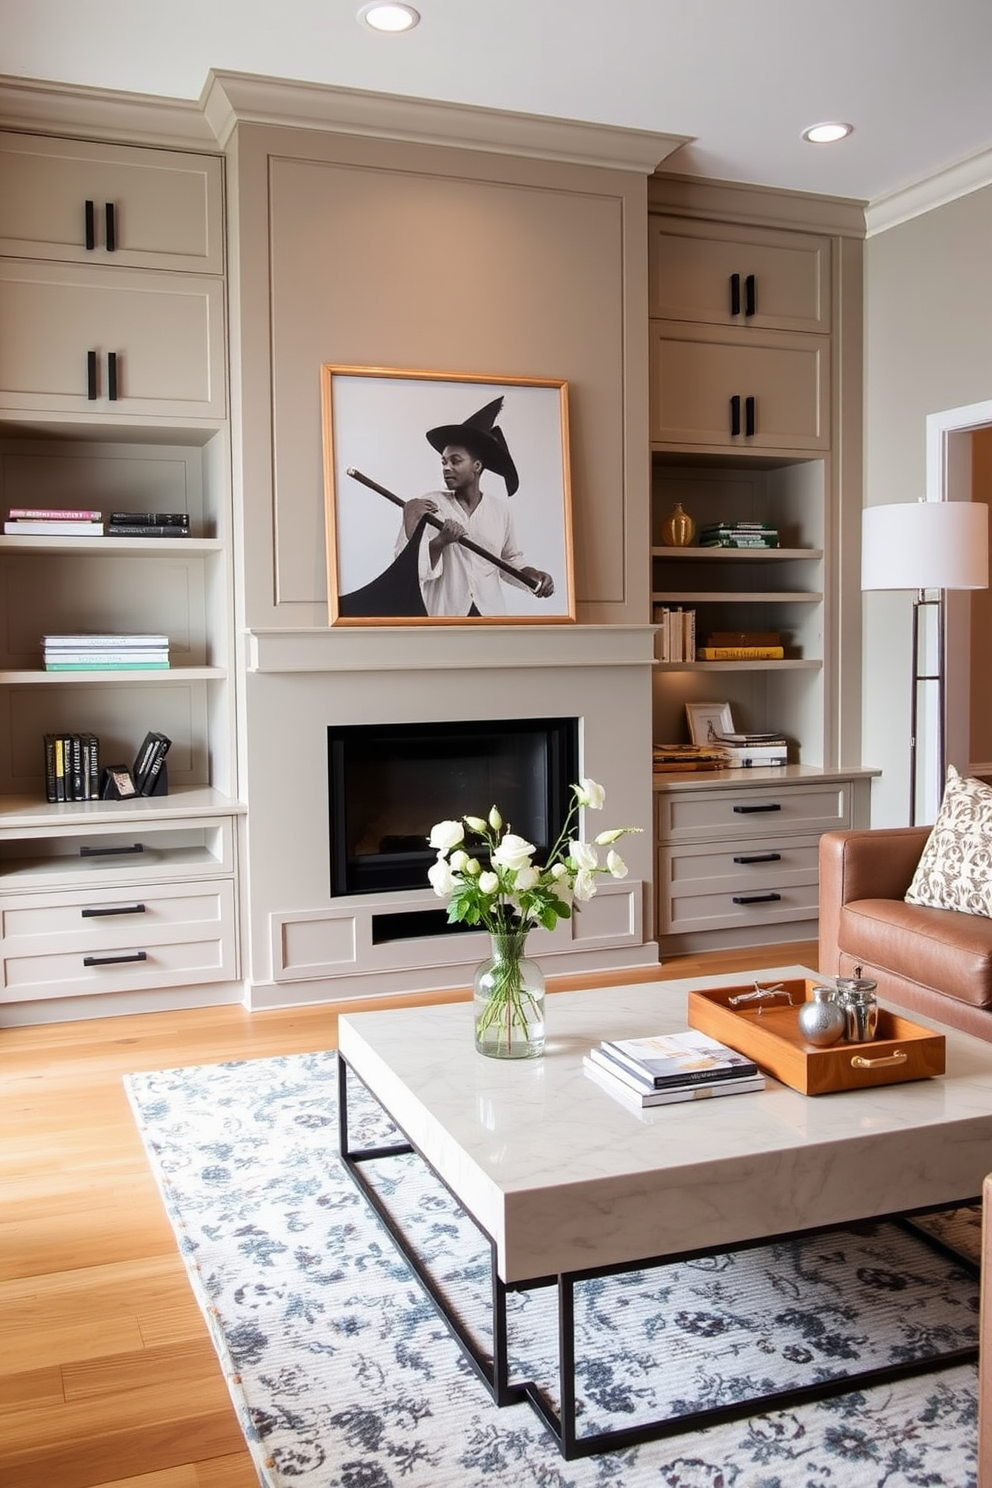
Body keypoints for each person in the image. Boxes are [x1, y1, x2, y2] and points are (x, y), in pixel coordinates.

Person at [395, 396, 556, 617]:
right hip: (445, 616)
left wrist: (533, 575)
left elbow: (509, 560)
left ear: (477, 466)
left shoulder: (500, 511)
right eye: (444, 462)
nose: (447, 468)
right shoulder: (430, 505)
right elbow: (406, 569)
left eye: (455, 460)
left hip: (491, 617)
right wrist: (441, 541)